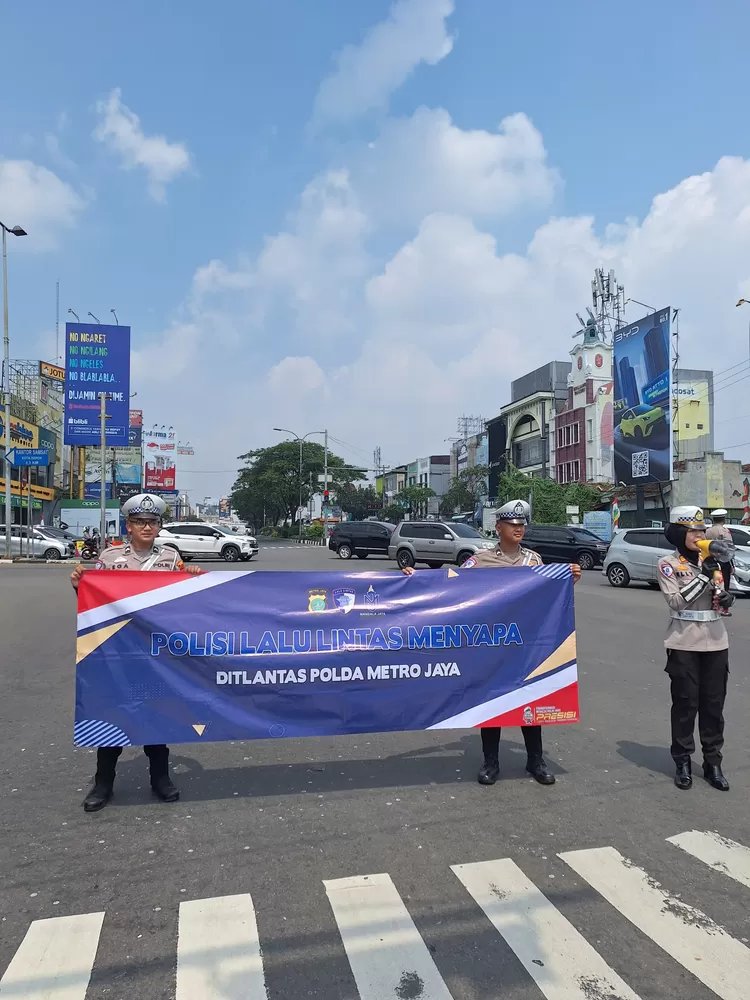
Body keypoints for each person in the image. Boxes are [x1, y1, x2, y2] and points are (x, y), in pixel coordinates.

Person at [403, 500, 581, 787]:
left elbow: (547, 595)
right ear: (499, 528)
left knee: (531, 700)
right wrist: (417, 578)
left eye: (522, 524)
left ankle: (535, 760)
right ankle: (491, 761)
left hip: (527, 645)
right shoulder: (480, 561)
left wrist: (568, 580)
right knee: (490, 701)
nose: (519, 529)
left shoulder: (534, 560)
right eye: (513, 525)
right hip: (492, 646)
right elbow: (451, 584)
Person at [71, 493, 202, 812]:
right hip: (117, 654)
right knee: (111, 716)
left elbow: (183, 604)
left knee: (157, 715)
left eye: (153, 522)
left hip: (156, 655)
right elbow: (95, 602)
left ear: (159, 527)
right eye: (140, 522)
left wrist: (195, 580)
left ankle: (160, 779)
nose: (146, 526)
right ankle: (103, 784)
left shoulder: (171, 559)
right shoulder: (110, 558)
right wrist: (79, 585)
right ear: (128, 526)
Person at [657, 505, 734, 791]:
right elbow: (676, 602)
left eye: (702, 530)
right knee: (686, 704)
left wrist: (726, 598)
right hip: (683, 641)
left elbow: (720, 598)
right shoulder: (668, 563)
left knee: (714, 706)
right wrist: (702, 575)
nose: (698, 535)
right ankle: (683, 761)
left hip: (716, 640)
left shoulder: (711, 560)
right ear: (679, 532)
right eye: (692, 530)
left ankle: (713, 762)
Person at [707, 508, 733, 615]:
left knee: (713, 584)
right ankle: (724, 609)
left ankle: (714, 606)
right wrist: (732, 564)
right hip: (723, 561)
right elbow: (730, 550)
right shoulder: (725, 531)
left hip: (710, 560)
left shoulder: (708, 531)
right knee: (724, 585)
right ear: (723, 519)